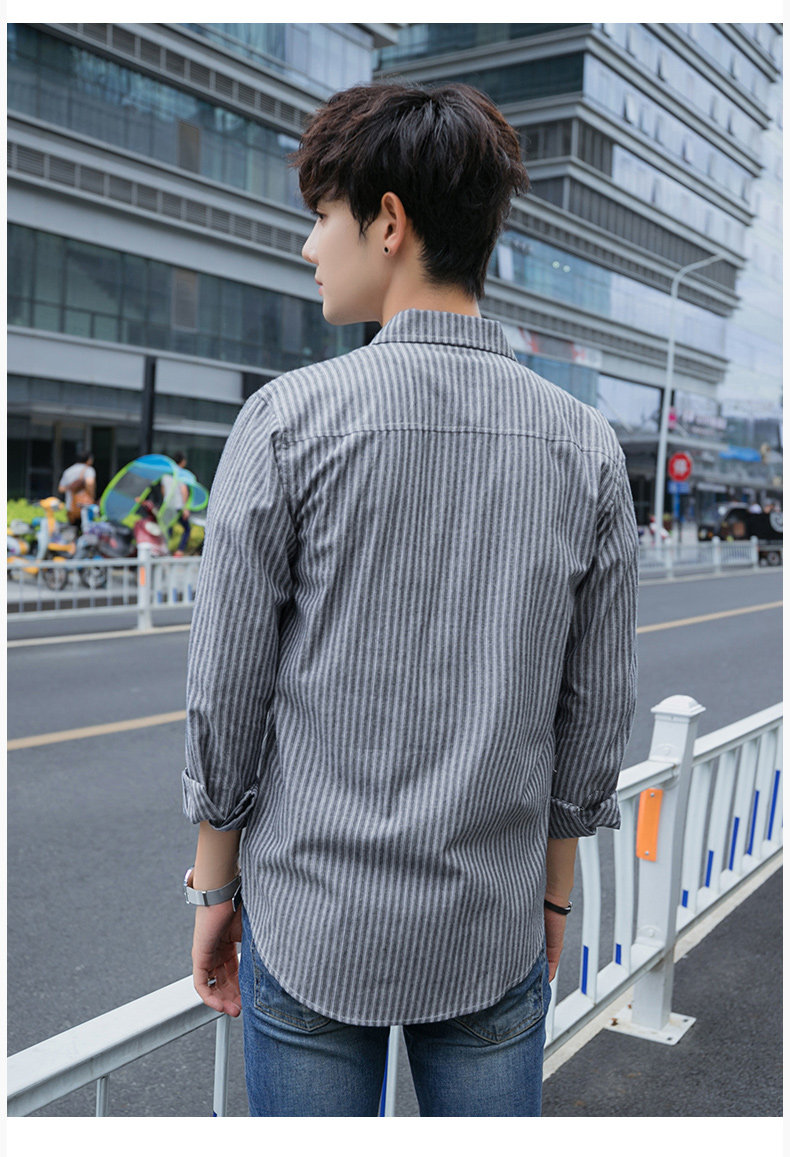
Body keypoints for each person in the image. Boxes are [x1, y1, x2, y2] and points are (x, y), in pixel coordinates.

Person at [182, 81, 638, 1117]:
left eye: (322, 215)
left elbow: (227, 690)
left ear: (388, 223)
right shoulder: (586, 447)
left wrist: (215, 887)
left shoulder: (286, 421)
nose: (310, 245)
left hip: (314, 920)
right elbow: (593, 714)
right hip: (490, 923)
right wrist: (554, 893)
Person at [163, 452, 191, 555]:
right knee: (187, 529)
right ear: (182, 462)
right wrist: (185, 508)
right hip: (178, 506)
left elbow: (163, 490)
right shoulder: (181, 474)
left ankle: (166, 551)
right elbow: (184, 490)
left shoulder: (166, 474)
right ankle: (180, 551)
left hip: (167, 506)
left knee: (168, 529)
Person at [57, 451, 96, 526]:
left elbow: (61, 489)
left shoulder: (68, 471)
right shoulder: (89, 470)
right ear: (89, 460)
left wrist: (72, 487)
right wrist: (91, 497)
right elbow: (90, 483)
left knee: (72, 528)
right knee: (86, 528)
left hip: (70, 506)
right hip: (84, 506)